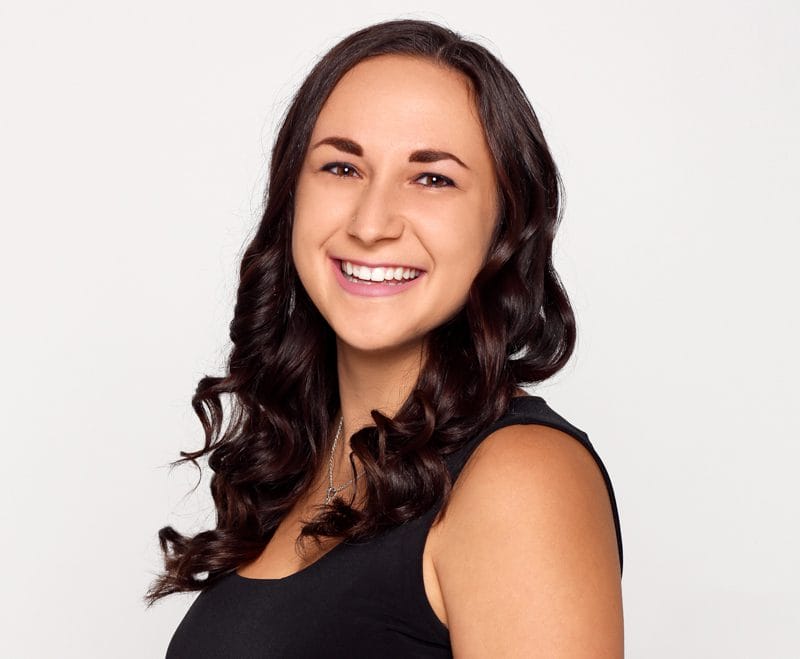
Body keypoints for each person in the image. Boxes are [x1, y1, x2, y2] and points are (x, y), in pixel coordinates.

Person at [147, 18, 624, 658]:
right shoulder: (306, 469)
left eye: (433, 178)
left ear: (504, 225)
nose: (371, 224)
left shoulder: (520, 478)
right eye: (342, 167)